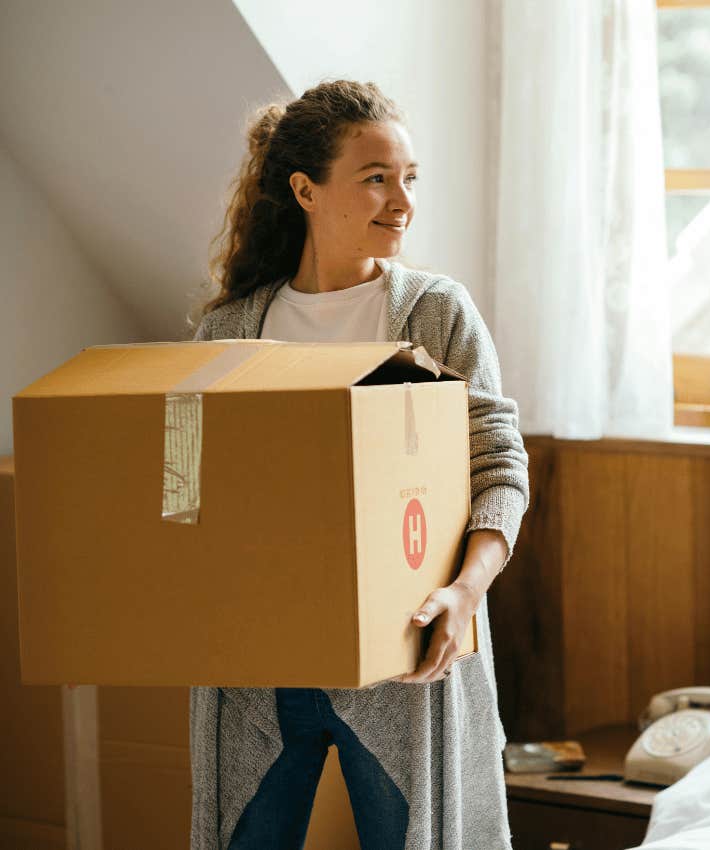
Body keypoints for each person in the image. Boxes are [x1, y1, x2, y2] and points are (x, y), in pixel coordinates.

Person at [188, 79, 530, 850]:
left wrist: (463, 595)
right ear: (305, 190)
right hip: (259, 667)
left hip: (408, 660)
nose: (401, 202)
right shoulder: (230, 328)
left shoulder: (436, 313)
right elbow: (189, 491)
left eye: (409, 178)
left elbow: (499, 470)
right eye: (376, 178)